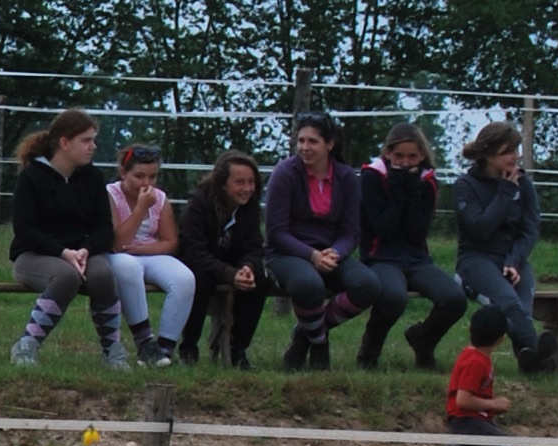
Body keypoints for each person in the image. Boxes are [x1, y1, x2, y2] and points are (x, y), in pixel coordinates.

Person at [264, 115, 402, 370]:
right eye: (301, 140)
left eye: (312, 141)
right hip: (287, 251)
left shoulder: (346, 177)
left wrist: (335, 252)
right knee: (309, 285)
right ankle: (319, 345)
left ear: (329, 144)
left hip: (331, 252)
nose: (305, 147)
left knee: (368, 285)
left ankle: (306, 333)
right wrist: (311, 256)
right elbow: (276, 232)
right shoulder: (285, 173)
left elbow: (351, 231)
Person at [9, 110, 128, 369]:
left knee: (102, 274)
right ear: (65, 143)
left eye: (93, 140)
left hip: (81, 255)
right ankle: (27, 345)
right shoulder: (31, 178)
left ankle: (113, 351)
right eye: (86, 140)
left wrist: (85, 250)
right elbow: (25, 230)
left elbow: (103, 228)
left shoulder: (93, 177)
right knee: (65, 276)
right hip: (34, 256)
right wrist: (64, 253)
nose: (93, 146)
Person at [356, 121, 469, 370]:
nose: (405, 162)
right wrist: (398, 186)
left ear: (421, 155)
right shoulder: (371, 178)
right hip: (380, 256)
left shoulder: (426, 182)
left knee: (454, 299)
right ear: (387, 153)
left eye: (412, 156)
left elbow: (417, 232)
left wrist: (412, 190)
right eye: (398, 156)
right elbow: (384, 229)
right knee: (394, 297)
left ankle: (423, 340)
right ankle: (369, 351)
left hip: (416, 258)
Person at [453, 122, 554, 372]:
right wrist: (506, 191)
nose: (514, 156)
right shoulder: (465, 186)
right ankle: (541, 357)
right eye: (506, 151)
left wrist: (514, 260)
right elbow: (480, 229)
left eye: (516, 149)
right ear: (487, 155)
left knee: (522, 309)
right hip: (475, 260)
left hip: (512, 260)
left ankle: (529, 362)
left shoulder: (525, 184)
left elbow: (530, 229)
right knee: (509, 302)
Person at [105, 143, 194, 367]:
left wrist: (142, 249)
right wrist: (140, 210)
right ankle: (144, 340)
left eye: (152, 177)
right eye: (139, 176)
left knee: (185, 279)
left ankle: (164, 348)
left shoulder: (160, 198)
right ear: (123, 173)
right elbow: (118, 241)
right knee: (128, 268)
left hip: (148, 251)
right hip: (120, 254)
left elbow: (170, 242)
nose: (146, 183)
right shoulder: (110, 195)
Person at [176, 149, 267, 365]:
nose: (247, 189)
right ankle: (189, 348)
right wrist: (229, 274)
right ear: (223, 183)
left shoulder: (250, 206)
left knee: (259, 280)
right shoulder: (198, 204)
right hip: (200, 264)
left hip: (233, 263)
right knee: (199, 280)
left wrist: (247, 267)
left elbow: (254, 246)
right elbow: (194, 251)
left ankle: (239, 349)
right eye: (240, 182)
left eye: (251, 182)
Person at [442, 303, 540, 446]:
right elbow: (463, 400)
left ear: (470, 328)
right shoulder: (475, 362)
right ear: (502, 339)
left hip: (472, 421)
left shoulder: (475, 357)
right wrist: (493, 404)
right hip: (466, 421)